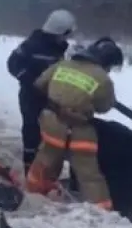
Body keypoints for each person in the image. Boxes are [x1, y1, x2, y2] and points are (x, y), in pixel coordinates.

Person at [25, 36, 124, 206]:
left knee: (46, 160)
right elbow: (104, 106)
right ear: (107, 63)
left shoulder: (62, 65)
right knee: (89, 173)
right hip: (79, 129)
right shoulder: (103, 79)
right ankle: (103, 212)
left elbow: (39, 84)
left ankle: (32, 196)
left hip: (51, 124)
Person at [7, 9, 76, 173]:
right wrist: (27, 79)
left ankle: (48, 168)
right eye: (65, 33)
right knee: (31, 131)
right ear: (58, 31)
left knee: (54, 131)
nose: (66, 37)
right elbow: (12, 63)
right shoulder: (32, 44)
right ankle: (29, 168)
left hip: (52, 96)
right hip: (30, 96)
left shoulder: (61, 48)